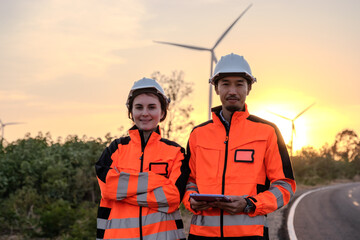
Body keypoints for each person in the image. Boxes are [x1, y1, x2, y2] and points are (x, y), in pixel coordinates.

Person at [183, 53, 296, 239]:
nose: (232, 91)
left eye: (239, 84)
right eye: (226, 84)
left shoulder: (267, 131)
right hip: (202, 235)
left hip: (250, 235)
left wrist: (250, 204)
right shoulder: (198, 134)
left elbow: (284, 185)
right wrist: (191, 200)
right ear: (216, 88)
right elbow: (190, 181)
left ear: (249, 88)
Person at [95, 77, 189, 240]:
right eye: (139, 107)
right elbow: (108, 189)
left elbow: (172, 198)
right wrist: (158, 181)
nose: (145, 113)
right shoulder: (115, 149)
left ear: (162, 112)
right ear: (131, 112)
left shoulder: (176, 152)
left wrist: (124, 193)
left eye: (152, 107)